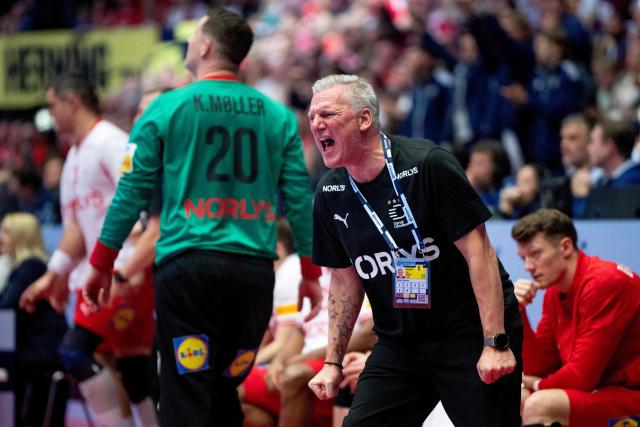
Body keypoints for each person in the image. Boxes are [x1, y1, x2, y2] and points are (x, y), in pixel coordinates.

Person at [81, 8, 322, 426]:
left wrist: (102, 263)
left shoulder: (165, 108)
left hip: (188, 269)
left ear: (206, 46)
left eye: (193, 37)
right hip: (253, 272)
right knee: (224, 391)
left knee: (185, 394)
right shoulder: (280, 117)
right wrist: (309, 271)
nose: (190, 43)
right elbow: (299, 199)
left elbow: (130, 194)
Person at [307, 74, 522, 426]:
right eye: (312, 116)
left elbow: (479, 253)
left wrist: (495, 341)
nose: (316, 124)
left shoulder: (428, 164)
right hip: (400, 341)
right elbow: (345, 283)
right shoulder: (329, 194)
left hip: (467, 332)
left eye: (327, 114)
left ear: (364, 119)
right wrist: (332, 362)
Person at [19, 73, 158, 427]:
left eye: (52, 106)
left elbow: (141, 208)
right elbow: (75, 230)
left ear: (72, 102)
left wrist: (132, 268)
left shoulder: (111, 142)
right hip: (97, 274)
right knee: (131, 369)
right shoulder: (72, 159)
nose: (50, 115)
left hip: (121, 272)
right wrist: (55, 274)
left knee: (74, 351)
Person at [511, 209, 640, 426]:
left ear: (565, 247)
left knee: (540, 404)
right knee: (516, 399)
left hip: (631, 392)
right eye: (523, 258)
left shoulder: (604, 282)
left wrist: (538, 385)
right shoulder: (554, 291)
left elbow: (582, 376)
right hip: (605, 390)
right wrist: (518, 311)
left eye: (535, 254)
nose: (528, 267)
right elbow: (538, 367)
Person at [0, 213, 68, 426]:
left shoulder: (32, 267)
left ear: (22, 235)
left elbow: (7, 307)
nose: (0, 237)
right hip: (24, 352)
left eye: (5, 231)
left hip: (39, 356)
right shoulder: (16, 268)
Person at [588, 118, 640, 188]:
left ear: (609, 146)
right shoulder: (602, 181)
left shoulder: (632, 182)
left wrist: (581, 196)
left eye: (591, 142)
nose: (587, 148)